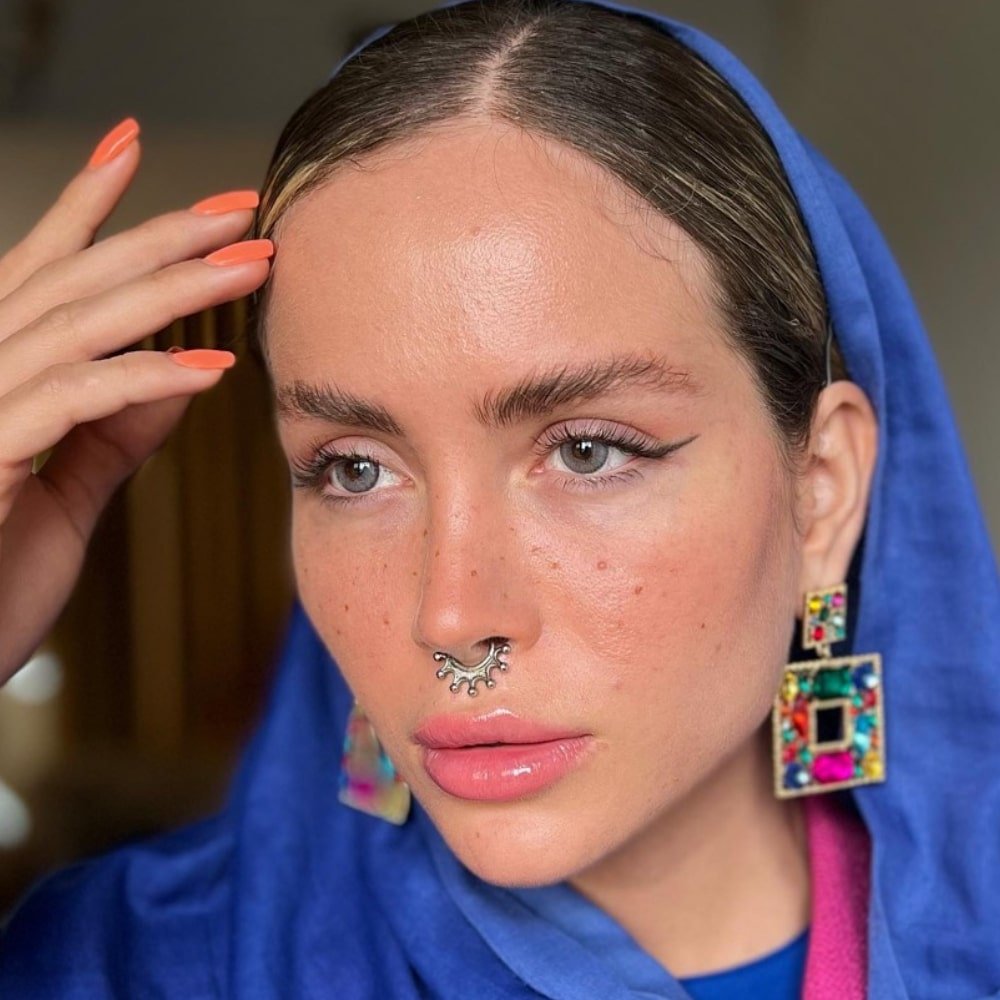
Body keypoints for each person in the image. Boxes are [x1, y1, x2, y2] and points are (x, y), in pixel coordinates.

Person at [0, 0, 997, 996]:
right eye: (356, 469)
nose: (452, 618)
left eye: (589, 452)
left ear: (822, 490)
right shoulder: (115, 969)